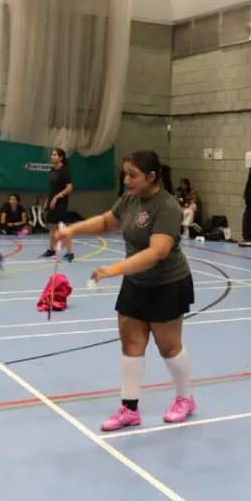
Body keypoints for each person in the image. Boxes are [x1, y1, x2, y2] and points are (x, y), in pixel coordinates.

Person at [55, 150, 197, 431]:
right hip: (136, 282)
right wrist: (72, 229)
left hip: (167, 284)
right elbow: (106, 221)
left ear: (152, 177)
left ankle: (185, 398)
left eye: (133, 175)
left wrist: (115, 269)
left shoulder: (167, 207)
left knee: (168, 347)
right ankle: (129, 409)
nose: (127, 180)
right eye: (125, 174)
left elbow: (157, 252)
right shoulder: (130, 199)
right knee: (131, 343)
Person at [40, 148, 74, 262]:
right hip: (51, 202)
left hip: (60, 203)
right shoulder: (52, 170)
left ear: (61, 157)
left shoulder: (64, 170)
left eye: (54, 155)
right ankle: (51, 250)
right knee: (51, 227)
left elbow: (69, 187)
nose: (52, 157)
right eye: (52, 155)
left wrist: (57, 197)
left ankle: (70, 253)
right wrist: (47, 201)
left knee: (62, 229)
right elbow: (51, 188)